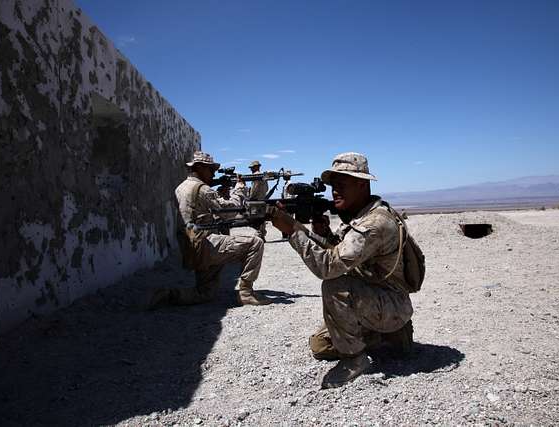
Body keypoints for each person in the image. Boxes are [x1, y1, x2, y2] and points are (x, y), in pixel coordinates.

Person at [270, 152, 415, 388]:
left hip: (390, 303)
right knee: (320, 345)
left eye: (342, 184)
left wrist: (292, 231)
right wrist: (320, 233)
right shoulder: (362, 216)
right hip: (374, 295)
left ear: (362, 184)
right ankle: (389, 338)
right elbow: (340, 251)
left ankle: (355, 359)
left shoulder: (374, 224)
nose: (334, 191)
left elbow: (329, 267)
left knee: (334, 286)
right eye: (332, 185)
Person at [149, 151, 271, 308]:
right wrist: (239, 189)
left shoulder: (181, 188)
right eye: (210, 169)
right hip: (206, 245)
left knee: (205, 293)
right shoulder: (202, 189)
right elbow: (229, 212)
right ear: (199, 167)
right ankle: (246, 293)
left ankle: (169, 295)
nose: (213, 174)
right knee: (255, 243)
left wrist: (220, 194)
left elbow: (197, 212)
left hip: (190, 246)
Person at [248, 160, 269, 240]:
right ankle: (262, 234)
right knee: (262, 217)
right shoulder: (264, 176)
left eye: (252, 168)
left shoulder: (256, 176)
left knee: (257, 218)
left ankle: (260, 235)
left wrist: (251, 197)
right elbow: (267, 188)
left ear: (256, 167)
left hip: (256, 199)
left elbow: (254, 188)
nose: (251, 169)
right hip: (262, 198)